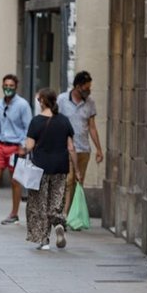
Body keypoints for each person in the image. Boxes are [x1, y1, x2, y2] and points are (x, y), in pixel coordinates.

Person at [20, 88, 79, 251]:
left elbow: (30, 146)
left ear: (42, 101)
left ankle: (44, 240)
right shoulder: (64, 121)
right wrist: (77, 170)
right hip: (61, 166)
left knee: (39, 204)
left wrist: (24, 147)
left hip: (40, 168)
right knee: (57, 200)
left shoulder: (36, 121)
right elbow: (71, 147)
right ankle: (59, 223)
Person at [0, 74, 32, 225]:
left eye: (11, 86)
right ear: (2, 85)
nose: (8, 88)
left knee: (15, 181)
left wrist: (23, 147)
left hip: (15, 148)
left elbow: (28, 127)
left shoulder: (23, 105)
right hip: (0, 145)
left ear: (16, 87)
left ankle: (14, 214)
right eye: (6, 85)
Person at [57, 70, 104, 216]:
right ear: (78, 86)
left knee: (78, 182)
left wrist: (98, 149)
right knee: (68, 180)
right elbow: (55, 120)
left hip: (83, 148)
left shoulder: (90, 103)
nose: (89, 91)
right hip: (66, 148)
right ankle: (64, 214)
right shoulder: (62, 100)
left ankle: (73, 214)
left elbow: (92, 126)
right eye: (86, 88)